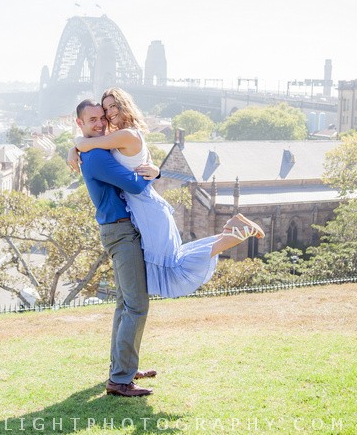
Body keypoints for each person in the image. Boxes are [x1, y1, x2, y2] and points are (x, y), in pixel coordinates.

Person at [69, 87, 264, 299]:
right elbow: (100, 146)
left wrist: (76, 144)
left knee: (174, 267)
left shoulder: (126, 135)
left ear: (124, 105)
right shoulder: (117, 136)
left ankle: (237, 233)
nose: (109, 113)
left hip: (145, 207)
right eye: (106, 109)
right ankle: (232, 229)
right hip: (143, 209)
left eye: (113, 106)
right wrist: (75, 149)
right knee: (174, 260)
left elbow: (89, 143)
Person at [75, 99, 160, 398]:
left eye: (102, 118)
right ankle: (120, 380)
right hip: (120, 230)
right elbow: (136, 185)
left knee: (125, 304)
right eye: (93, 119)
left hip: (119, 228)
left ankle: (123, 368)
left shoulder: (95, 150)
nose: (100, 123)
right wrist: (152, 172)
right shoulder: (97, 156)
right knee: (136, 304)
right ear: (80, 124)